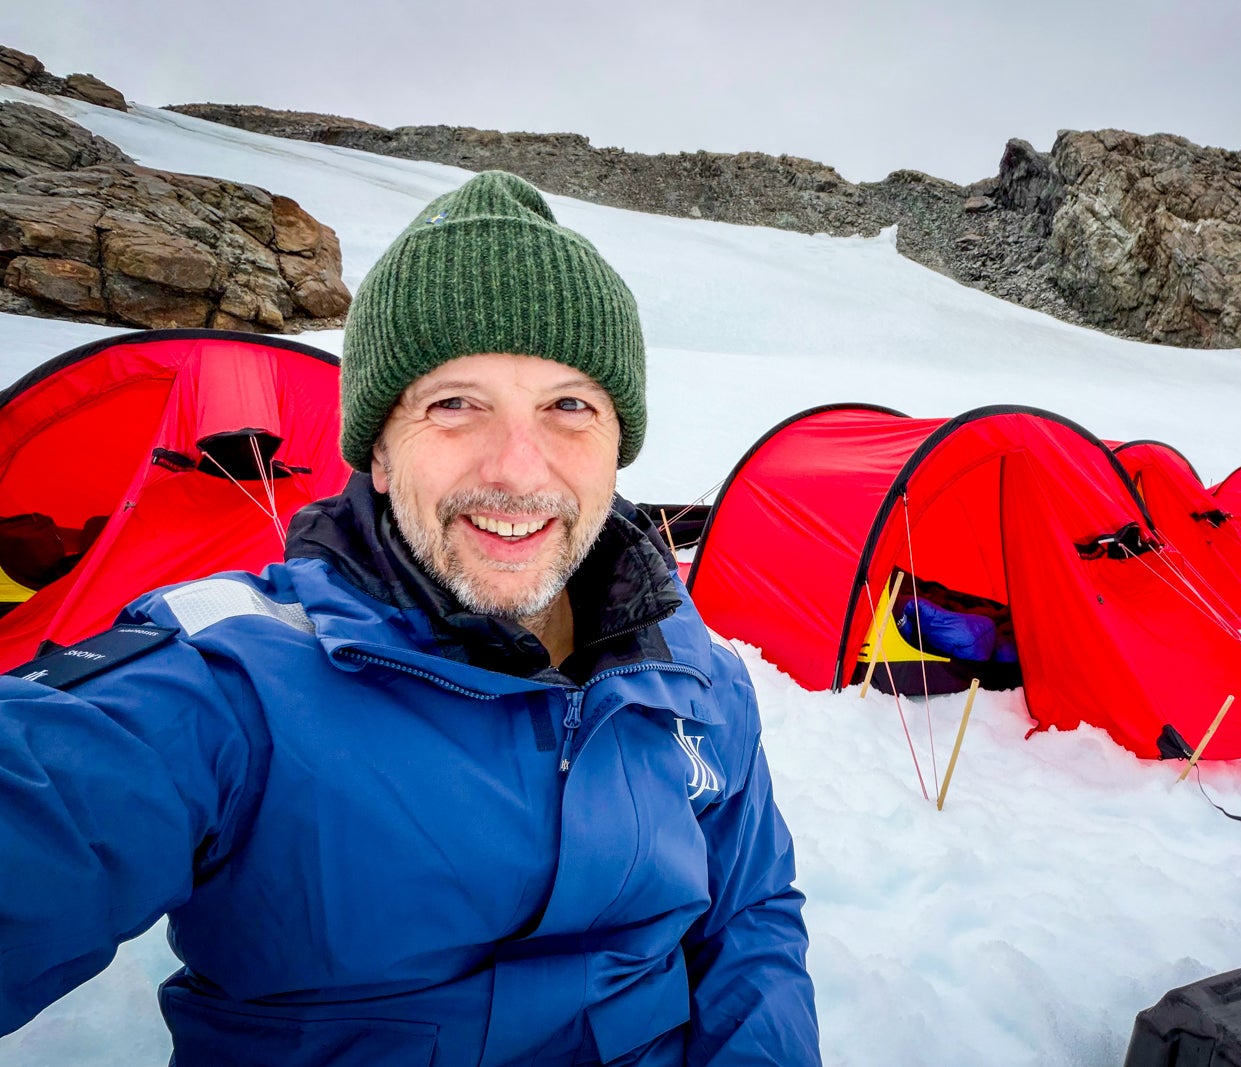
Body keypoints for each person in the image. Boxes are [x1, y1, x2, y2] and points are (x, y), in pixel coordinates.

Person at [0, 171, 820, 1066]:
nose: (517, 469)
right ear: (378, 455)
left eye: (570, 406)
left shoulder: (697, 676)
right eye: (455, 404)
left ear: (619, 444)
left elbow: (751, 915)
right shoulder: (233, 684)